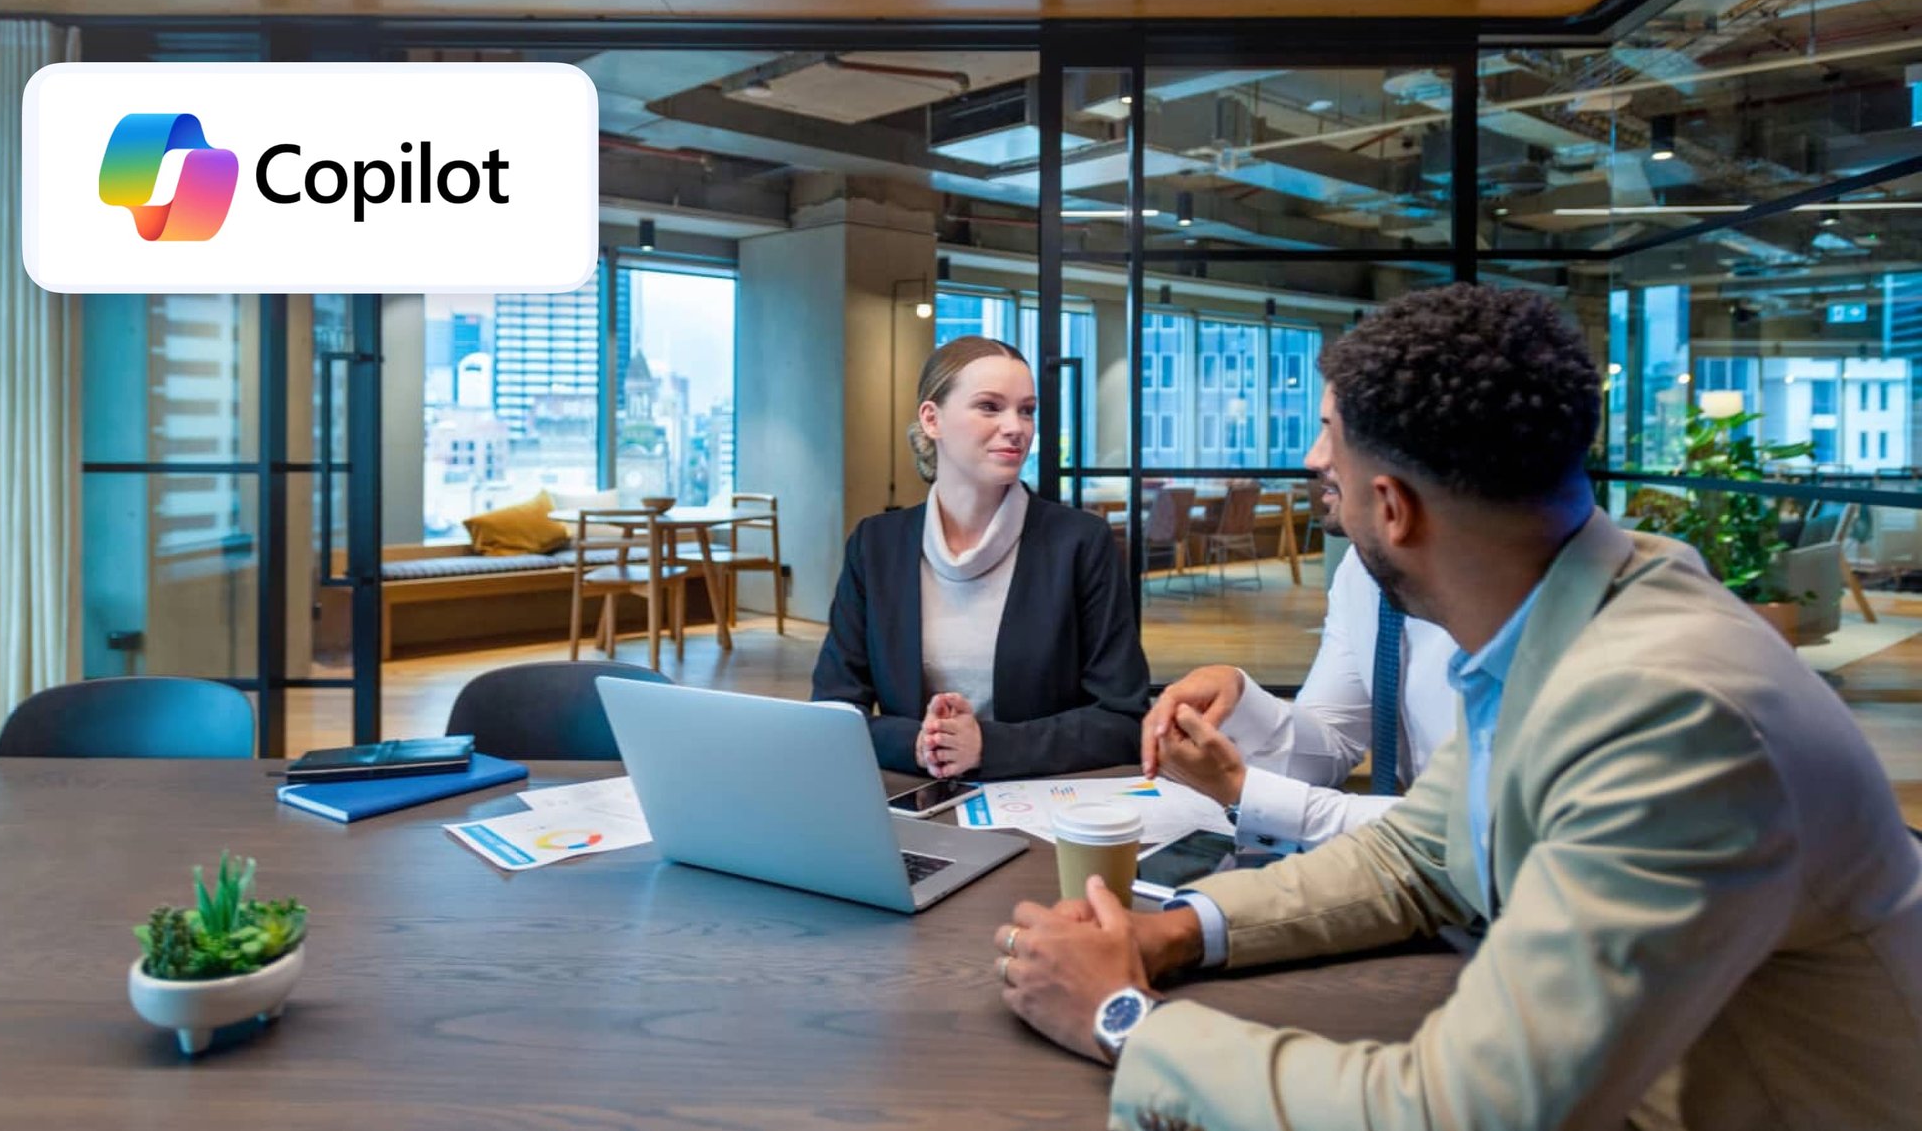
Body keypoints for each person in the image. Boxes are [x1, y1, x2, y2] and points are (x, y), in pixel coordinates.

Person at [990, 283, 1922, 1130]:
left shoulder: (1670, 716)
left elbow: (1464, 1114)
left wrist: (1124, 1021)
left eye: (1330, 440)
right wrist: (1175, 931)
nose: (1316, 462)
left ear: (1392, 508)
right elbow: (1418, 853)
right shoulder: (1575, 612)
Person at [812, 336, 1148, 780]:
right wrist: (918, 744)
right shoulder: (875, 545)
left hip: (1043, 805)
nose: (1017, 427)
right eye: (990, 406)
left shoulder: (1081, 543)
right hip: (909, 801)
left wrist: (987, 746)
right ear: (932, 419)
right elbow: (834, 712)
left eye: (1026, 410)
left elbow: (1123, 721)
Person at [1142, 546, 1460, 850]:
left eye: (1339, 485)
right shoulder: (1360, 569)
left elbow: (1467, 829)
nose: (1320, 487)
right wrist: (1239, 697)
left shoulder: (1493, 590)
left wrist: (1246, 793)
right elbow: (1335, 741)